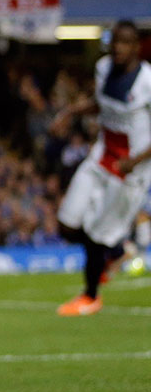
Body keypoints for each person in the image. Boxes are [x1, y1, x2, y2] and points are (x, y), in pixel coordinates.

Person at [52, 20, 151, 316]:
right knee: (67, 225)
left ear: (136, 47)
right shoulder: (104, 68)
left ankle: (90, 297)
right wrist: (69, 112)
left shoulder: (147, 80)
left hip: (129, 170)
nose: (118, 48)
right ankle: (117, 251)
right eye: (114, 42)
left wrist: (134, 161)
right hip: (101, 157)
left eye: (125, 43)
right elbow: (102, 104)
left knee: (95, 236)